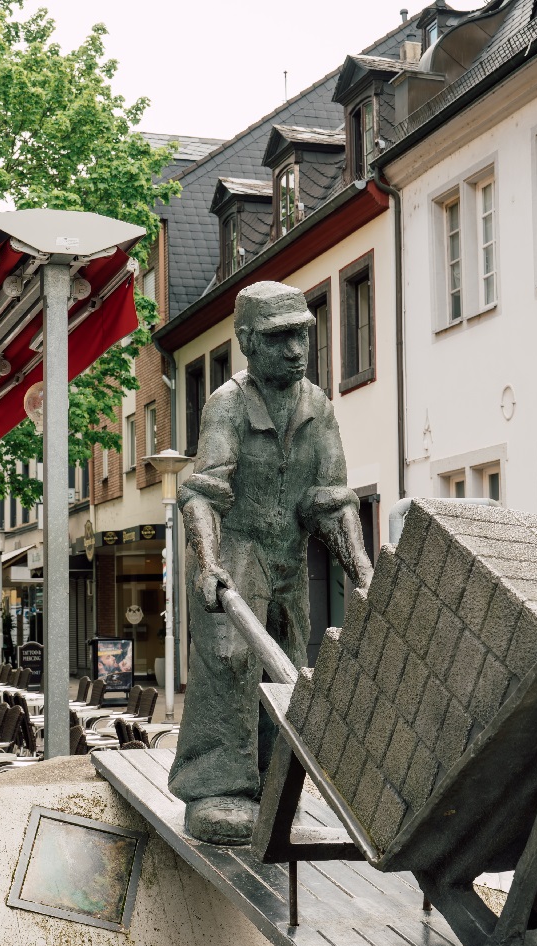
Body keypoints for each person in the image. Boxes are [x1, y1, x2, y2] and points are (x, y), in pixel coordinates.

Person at [170, 281, 374, 846]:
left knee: (287, 662)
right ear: (247, 342)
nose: (296, 350)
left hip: (287, 557)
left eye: (302, 335)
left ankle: (272, 786)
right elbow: (204, 493)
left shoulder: (317, 407)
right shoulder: (228, 404)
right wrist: (208, 562)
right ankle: (216, 788)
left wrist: (362, 570)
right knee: (231, 661)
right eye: (280, 338)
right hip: (234, 553)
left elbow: (331, 499)